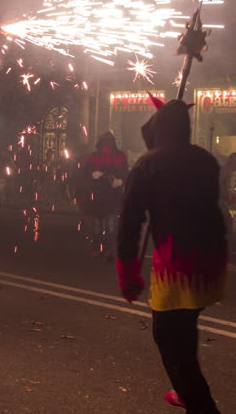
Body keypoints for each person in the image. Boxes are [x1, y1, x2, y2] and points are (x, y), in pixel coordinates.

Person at [116, 96, 228, 414]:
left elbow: (130, 223)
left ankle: (198, 402)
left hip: (179, 265)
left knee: (167, 336)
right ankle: (186, 388)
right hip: (210, 261)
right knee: (185, 325)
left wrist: (128, 273)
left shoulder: (147, 164)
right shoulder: (205, 159)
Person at [85, 131, 128, 260]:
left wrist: (119, 181)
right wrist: (93, 174)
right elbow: (86, 173)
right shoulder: (93, 157)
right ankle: (97, 249)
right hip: (98, 196)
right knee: (98, 225)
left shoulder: (120, 156)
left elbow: (125, 173)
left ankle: (108, 249)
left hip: (113, 196)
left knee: (110, 224)